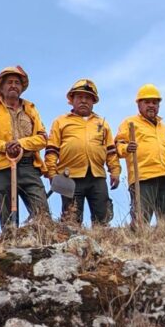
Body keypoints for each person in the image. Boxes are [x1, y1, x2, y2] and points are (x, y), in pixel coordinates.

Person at [0, 65, 50, 230]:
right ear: (1, 87)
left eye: (17, 83)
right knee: (6, 214)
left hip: (28, 165)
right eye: (9, 82)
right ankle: (11, 240)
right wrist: (5, 146)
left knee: (41, 210)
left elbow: (42, 138)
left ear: (22, 88)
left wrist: (21, 144)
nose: (13, 85)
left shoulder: (31, 109)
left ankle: (42, 240)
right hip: (1, 166)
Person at [44, 79, 120, 225]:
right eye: (79, 97)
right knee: (71, 220)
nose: (84, 101)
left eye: (88, 97)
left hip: (97, 176)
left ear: (93, 101)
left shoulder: (102, 124)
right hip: (69, 177)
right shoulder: (60, 121)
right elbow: (52, 149)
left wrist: (115, 171)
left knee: (102, 218)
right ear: (72, 100)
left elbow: (111, 151)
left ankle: (100, 239)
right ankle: (72, 239)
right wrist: (52, 173)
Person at [115, 84, 165, 225]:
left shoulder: (164, 128)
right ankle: (140, 239)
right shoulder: (130, 123)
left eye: (155, 102)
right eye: (147, 102)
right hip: (144, 177)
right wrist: (127, 148)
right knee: (141, 220)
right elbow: (118, 145)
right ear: (139, 104)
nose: (151, 105)